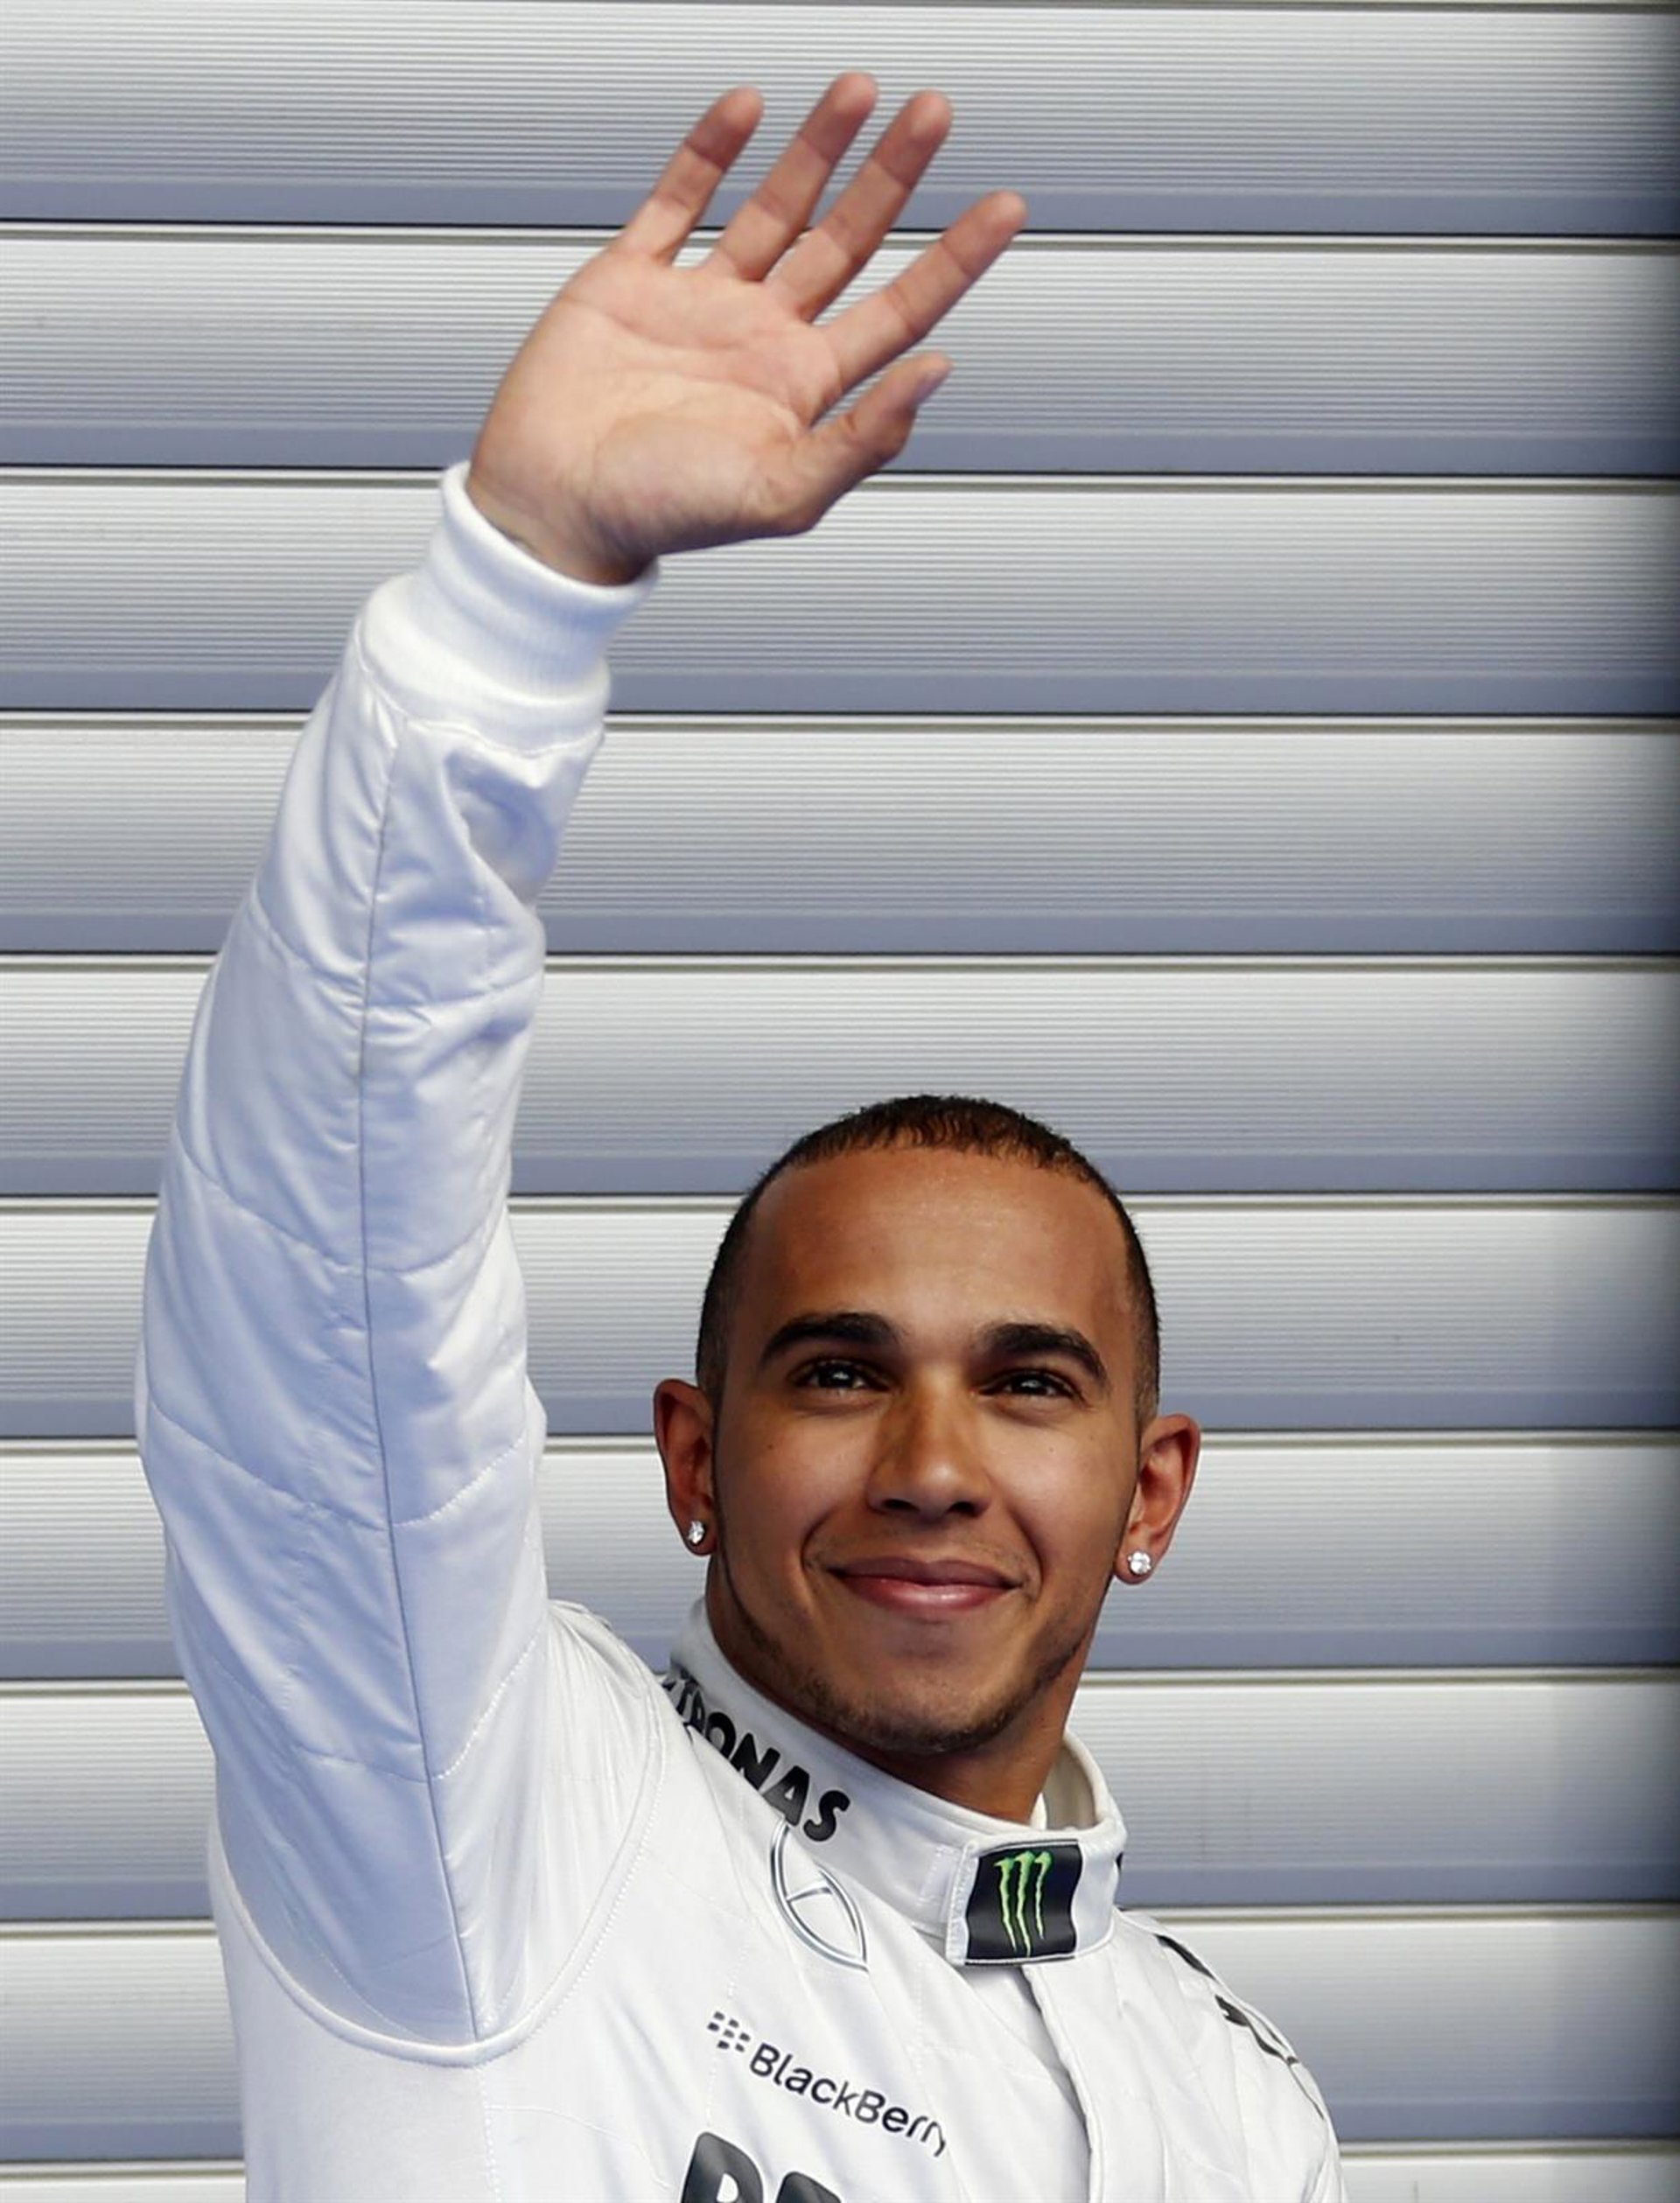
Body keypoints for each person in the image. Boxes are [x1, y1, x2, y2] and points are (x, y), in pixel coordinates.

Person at [137, 68, 1349, 2202]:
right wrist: (513, 600)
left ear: (1151, 1487)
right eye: (840, 1369)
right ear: (695, 1457)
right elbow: (323, 1318)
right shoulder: (491, 1824)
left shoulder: (1237, 2107)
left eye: (1030, 1382)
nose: (933, 1461)